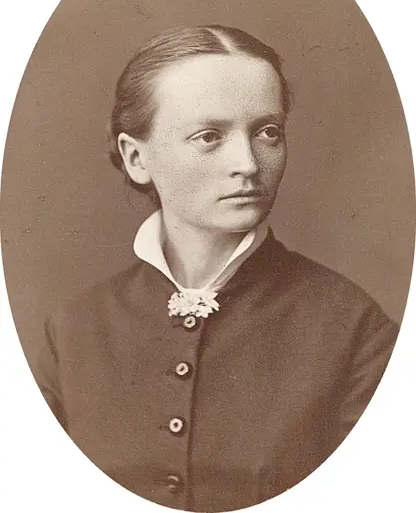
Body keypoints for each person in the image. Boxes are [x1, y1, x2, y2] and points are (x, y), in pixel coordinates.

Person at [33, 25, 399, 512]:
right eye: (209, 136)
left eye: (267, 132)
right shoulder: (74, 330)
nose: (247, 163)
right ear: (136, 157)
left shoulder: (355, 330)